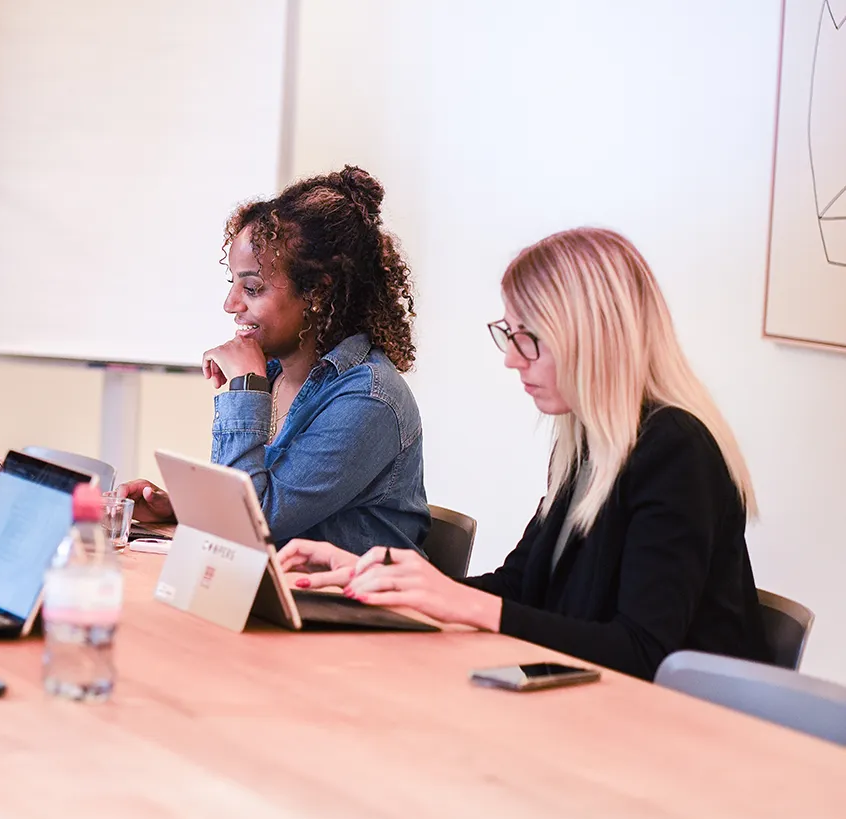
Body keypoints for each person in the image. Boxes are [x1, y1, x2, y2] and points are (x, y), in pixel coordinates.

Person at [278, 227, 771, 680]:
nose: (513, 359)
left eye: (528, 339)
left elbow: (641, 653)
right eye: (509, 335)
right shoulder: (588, 443)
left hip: (686, 739)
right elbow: (521, 588)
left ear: (591, 337)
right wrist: (379, 583)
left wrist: (460, 603)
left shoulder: (676, 450)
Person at [118, 166, 429, 554]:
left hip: (346, 609)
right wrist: (185, 509)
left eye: (252, 288)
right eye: (233, 285)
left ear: (316, 292)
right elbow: (248, 509)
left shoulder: (368, 399)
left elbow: (247, 525)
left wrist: (245, 388)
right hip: (278, 593)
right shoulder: (278, 373)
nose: (230, 305)